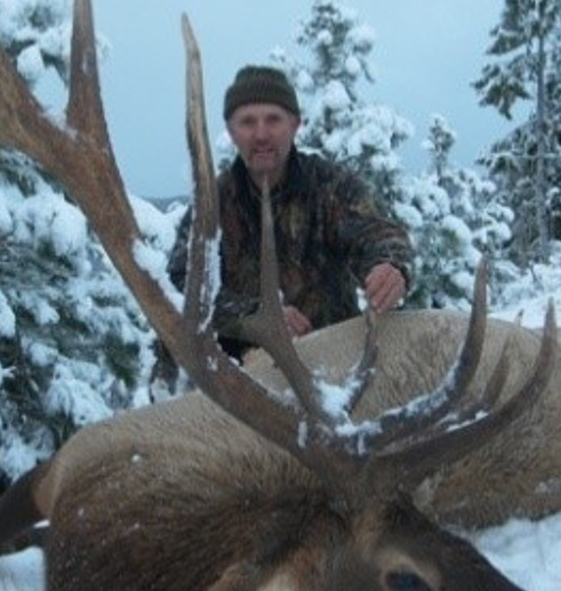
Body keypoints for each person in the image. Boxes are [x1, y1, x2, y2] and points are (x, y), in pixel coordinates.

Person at [151, 64, 413, 394]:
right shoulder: (210, 205)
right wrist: (258, 317)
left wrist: (389, 265)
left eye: (273, 119)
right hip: (240, 374)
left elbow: (377, 234)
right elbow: (183, 287)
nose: (261, 134)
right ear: (231, 131)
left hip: (329, 367)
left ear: (295, 124)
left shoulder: (332, 188)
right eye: (248, 122)